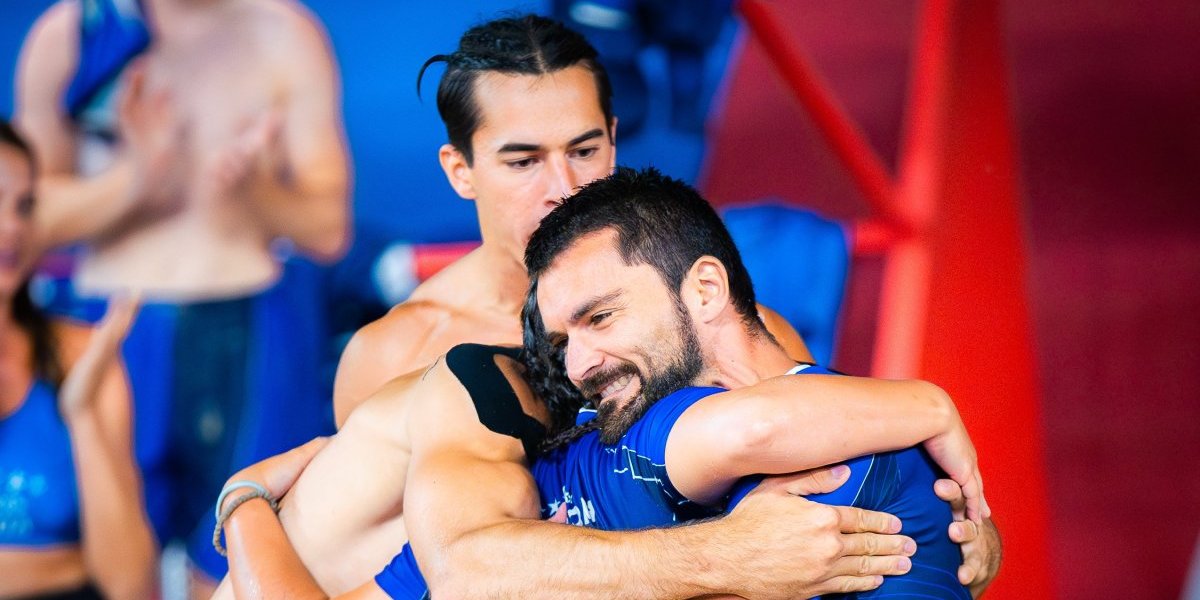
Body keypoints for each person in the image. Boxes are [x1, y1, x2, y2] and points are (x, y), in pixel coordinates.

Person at [519, 167, 992, 597]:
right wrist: (932, 406)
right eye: (562, 344)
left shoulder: (868, 468)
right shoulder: (635, 429)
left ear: (706, 290)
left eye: (601, 317)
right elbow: (754, 428)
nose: (575, 367)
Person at [14, 0, 350, 593]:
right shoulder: (69, 35)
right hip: (106, 332)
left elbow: (329, 229)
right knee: (117, 569)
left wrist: (255, 190)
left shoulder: (285, 34)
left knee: (242, 563)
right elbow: (21, 222)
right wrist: (135, 180)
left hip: (252, 327)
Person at [331, 13, 810, 426]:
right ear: (461, 171)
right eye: (524, 162)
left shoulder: (715, 318)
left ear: (613, 143)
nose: (565, 190)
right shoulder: (393, 358)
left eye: (584, 151)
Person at [0, 120, 156, 600]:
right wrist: (71, 562)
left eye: (25, 206)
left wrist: (81, 411)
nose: (12, 226)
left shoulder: (84, 356)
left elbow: (131, 585)